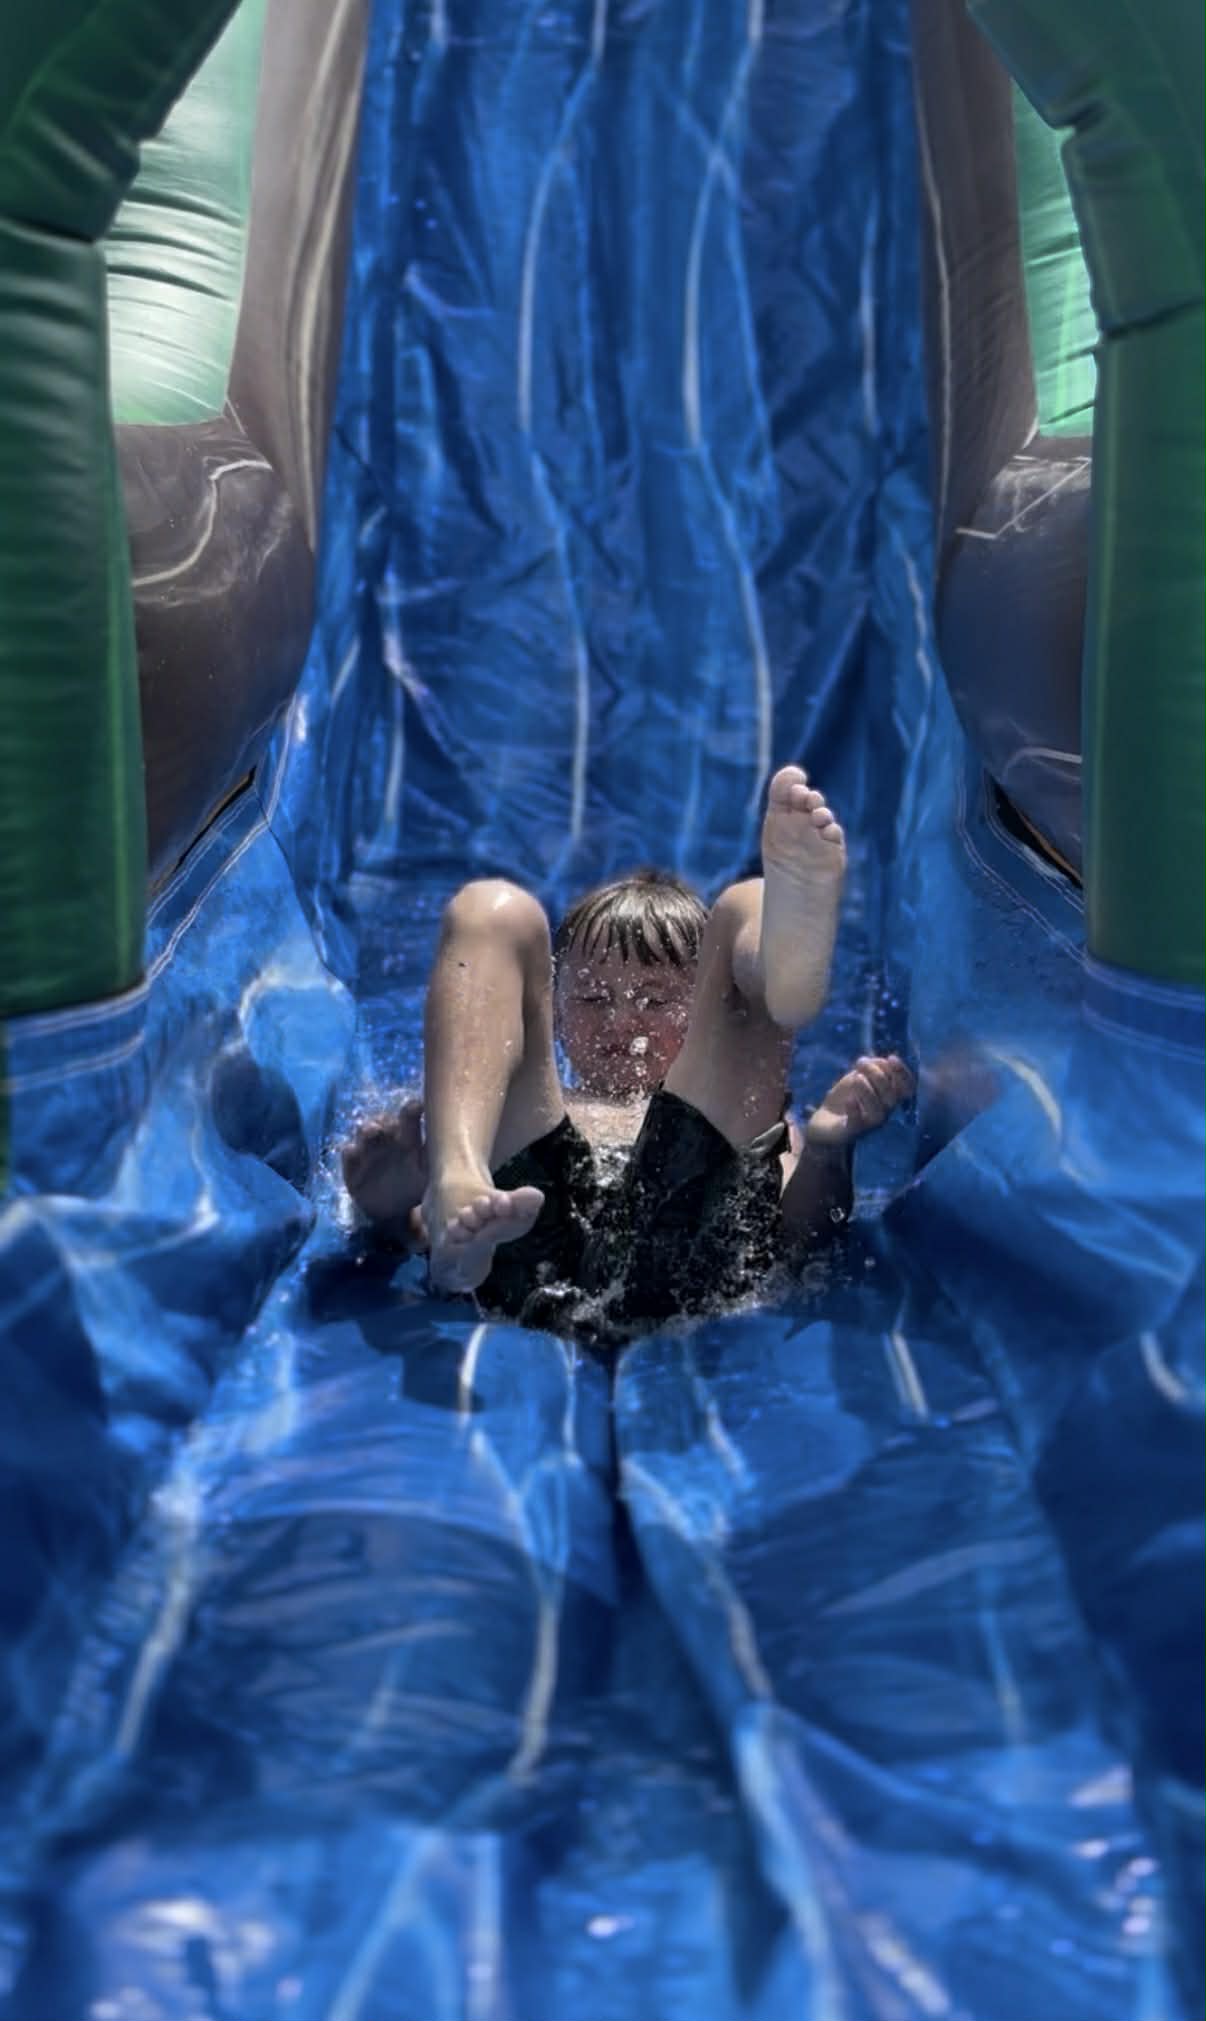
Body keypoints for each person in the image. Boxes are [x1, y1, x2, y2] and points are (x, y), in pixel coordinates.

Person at [342, 765, 911, 1343]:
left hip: (692, 1240)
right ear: (554, 1015)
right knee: (492, 908)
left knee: (744, 903)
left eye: (656, 999)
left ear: (706, 1009)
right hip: (522, 1236)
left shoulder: (749, 1111)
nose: (620, 1022)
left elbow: (801, 1238)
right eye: (590, 996)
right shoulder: (505, 1104)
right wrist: (391, 1205)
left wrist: (826, 1151)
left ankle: (781, 967)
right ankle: (455, 1174)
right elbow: (414, 1236)